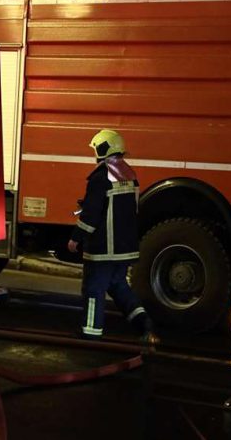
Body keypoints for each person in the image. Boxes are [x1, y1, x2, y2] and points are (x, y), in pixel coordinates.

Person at [67, 129, 159, 344]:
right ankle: (144, 323)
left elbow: (91, 215)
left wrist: (75, 238)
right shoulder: (129, 175)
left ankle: (91, 332)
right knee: (119, 286)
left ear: (102, 149)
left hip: (103, 249)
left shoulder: (100, 178)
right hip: (125, 248)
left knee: (94, 288)